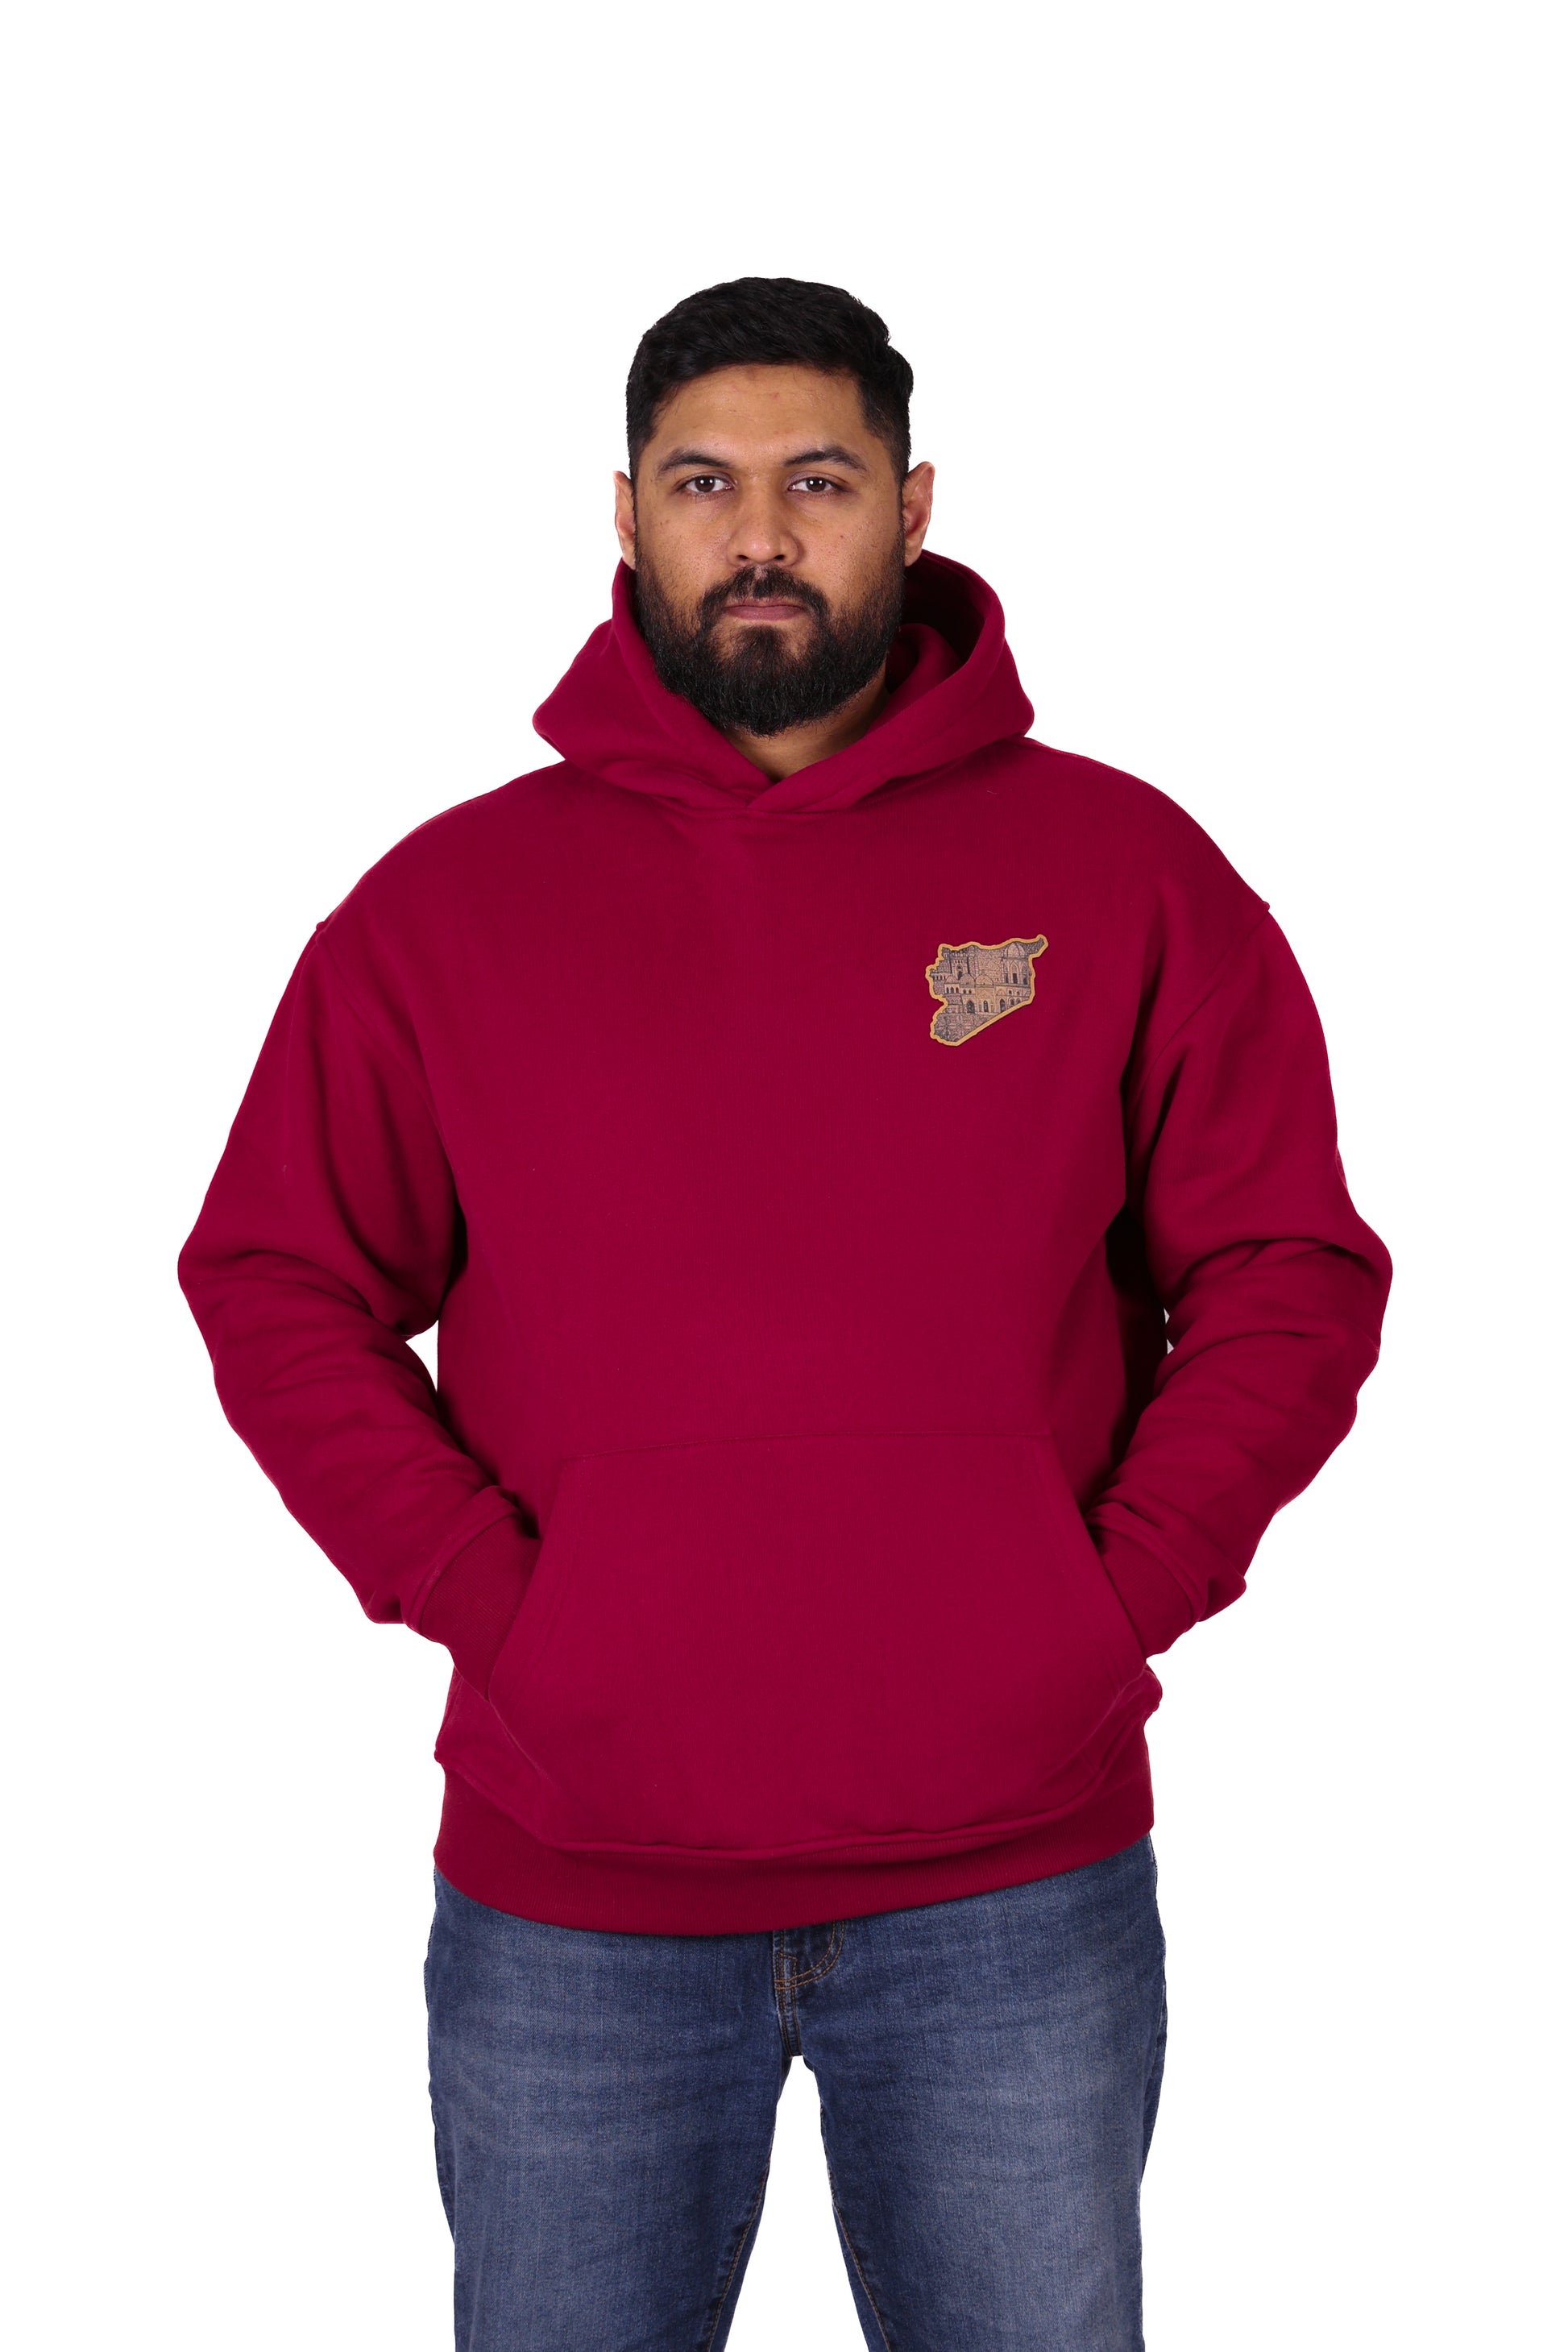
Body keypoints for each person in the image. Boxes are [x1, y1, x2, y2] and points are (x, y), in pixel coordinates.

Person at [178, 276, 1392, 2350]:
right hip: (579, 1883)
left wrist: (1099, 1595)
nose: (759, 534)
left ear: (910, 507)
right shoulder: (441, 909)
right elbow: (279, 1275)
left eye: (816, 482)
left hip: (1012, 1877)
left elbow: (1285, 1265)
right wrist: (500, 1601)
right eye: (703, 484)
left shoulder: (1121, 870)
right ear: (625, 516)